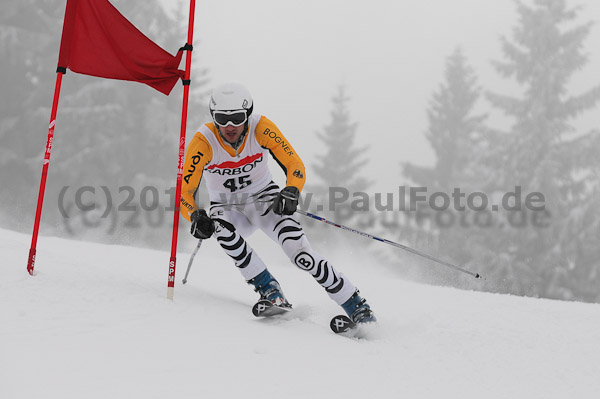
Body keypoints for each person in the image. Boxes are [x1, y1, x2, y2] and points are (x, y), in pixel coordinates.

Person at [180, 82, 375, 324]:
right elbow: (184, 192)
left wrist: (292, 190)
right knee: (221, 230)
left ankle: (356, 305)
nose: (230, 126)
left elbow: (295, 164)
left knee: (300, 254)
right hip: (227, 206)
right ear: (213, 116)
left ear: (248, 114)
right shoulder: (204, 142)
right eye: (222, 118)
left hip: (265, 200)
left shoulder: (261, 127)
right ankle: (269, 290)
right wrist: (196, 216)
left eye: (237, 118)